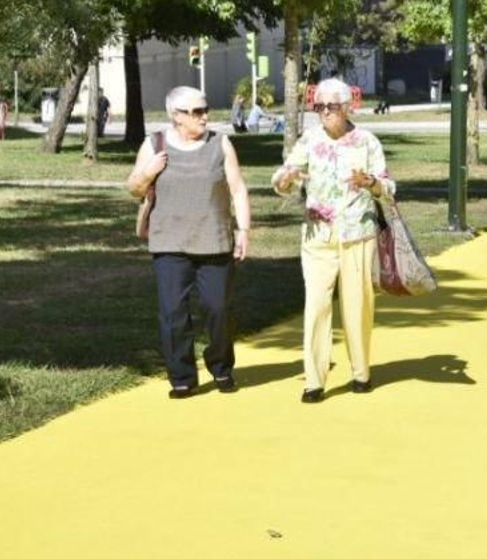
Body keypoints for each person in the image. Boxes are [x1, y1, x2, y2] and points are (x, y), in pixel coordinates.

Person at [271, 77, 396, 403]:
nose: (324, 112)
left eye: (331, 106)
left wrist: (370, 182)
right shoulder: (309, 140)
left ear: (347, 107)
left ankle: (361, 373)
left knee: (358, 306)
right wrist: (285, 179)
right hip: (317, 236)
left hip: (358, 234)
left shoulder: (367, 141)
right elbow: (283, 177)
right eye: (319, 106)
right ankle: (314, 380)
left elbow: (388, 189)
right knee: (316, 306)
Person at [127, 86, 251, 399]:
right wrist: (148, 172)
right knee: (173, 313)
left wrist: (244, 230)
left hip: (214, 241)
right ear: (176, 116)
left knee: (218, 309)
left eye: (205, 109)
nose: (204, 116)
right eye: (196, 112)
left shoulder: (220, 143)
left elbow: (238, 190)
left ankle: (221, 366)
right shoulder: (154, 144)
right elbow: (134, 188)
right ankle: (181, 377)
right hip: (169, 242)